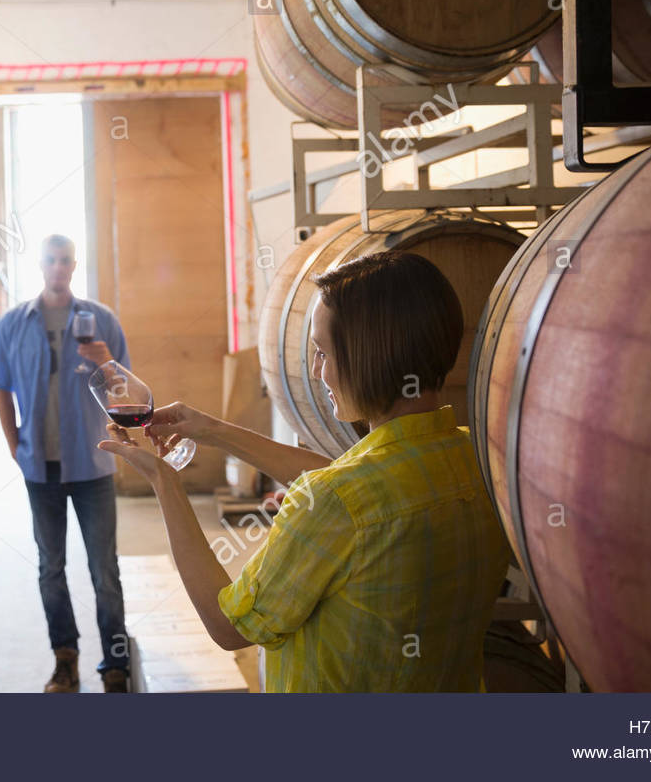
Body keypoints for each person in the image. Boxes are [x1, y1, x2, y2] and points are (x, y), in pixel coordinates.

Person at [100, 251, 512, 692]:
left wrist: (165, 483)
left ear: (366, 356)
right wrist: (212, 430)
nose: (317, 372)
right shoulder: (479, 457)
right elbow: (354, 482)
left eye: (322, 353)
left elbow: (229, 626)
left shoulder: (338, 501)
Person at [0, 234, 132, 692]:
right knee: (51, 568)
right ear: (40, 264)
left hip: (92, 465)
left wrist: (107, 362)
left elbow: (126, 394)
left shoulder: (101, 321)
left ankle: (115, 665)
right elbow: (2, 390)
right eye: (51, 259)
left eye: (66, 260)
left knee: (104, 569)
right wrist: (15, 445)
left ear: (74, 264)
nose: (59, 267)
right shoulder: (13, 324)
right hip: (39, 469)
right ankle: (65, 660)